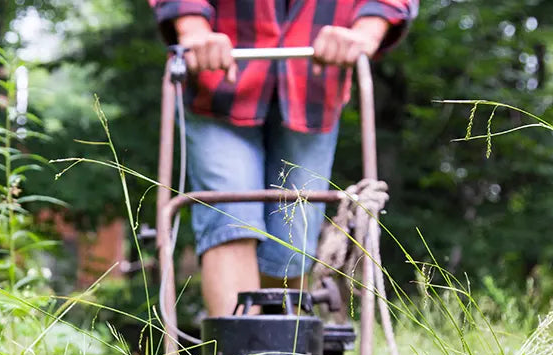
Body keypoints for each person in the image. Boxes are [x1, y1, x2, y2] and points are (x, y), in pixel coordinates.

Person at [150, 0, 417, 316]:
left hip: (315, 86)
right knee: (231, 221)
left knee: (293, 244)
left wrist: (366, 31)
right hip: (216, 78)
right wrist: (193, 27)